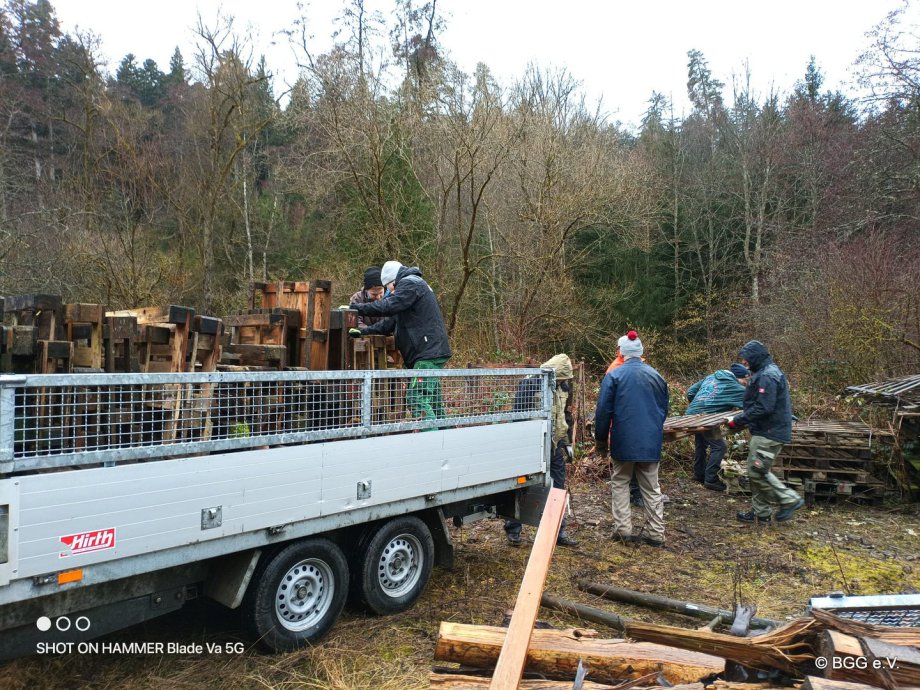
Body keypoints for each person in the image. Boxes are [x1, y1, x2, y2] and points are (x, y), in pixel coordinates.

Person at [349, 261, 451, 420]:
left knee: (416, 398)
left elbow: (387, 306)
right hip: (431, 351)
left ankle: (429, 433)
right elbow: (388, 324)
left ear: (392, 281)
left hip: (427, 354)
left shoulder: (410, 283)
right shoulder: (410, 291)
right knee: (433, 402)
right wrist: (363, 331)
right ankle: (445, 430)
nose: (390, 292)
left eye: (387, 287)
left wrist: (356, 308)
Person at [594, 331, 669, 546]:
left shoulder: (614, 376)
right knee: (652, 488)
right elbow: (663, 411)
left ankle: (623, 530)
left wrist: (601, 441)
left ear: (621, 353)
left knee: (620, 483)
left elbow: (603, 412)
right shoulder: (657, 376)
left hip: (623, 440)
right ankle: (656, 533)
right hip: (650, 441)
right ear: (641, 352)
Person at [504, 354, 578, 548]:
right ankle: (513, 529)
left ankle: (558, 530)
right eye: (561, 378)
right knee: (522, 486)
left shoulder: (563, 387)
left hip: (555, 445)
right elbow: (518, 416)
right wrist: (522, 444)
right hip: (532, 445)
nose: (563, 381)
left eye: (564, 379)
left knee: (558, 487)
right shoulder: (530, 384)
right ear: (552, 373)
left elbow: (565, 416)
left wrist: (567, 442)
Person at [727, 340, 804, 523]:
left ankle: (789, 499)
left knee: (756, 471)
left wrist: (737, 421)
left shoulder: (767, 376)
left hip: (769, 433)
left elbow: (763, 407)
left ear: (755, 357)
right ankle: (761, 513)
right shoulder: (765, 372)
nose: (743, 362)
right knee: (758, 471)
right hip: (766, 430)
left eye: (746, 359)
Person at [685, 363, 750, 492]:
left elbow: (691, 391)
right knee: (719, 447)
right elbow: (753, 405)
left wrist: (699, 404)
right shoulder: (735, 386)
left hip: (692, 414)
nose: (745, 384)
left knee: (701, 444)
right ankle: (711, 479)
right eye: (745, 381)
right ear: (739, 377)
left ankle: (699, 474)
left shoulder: (711, 377)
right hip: (707, 417)